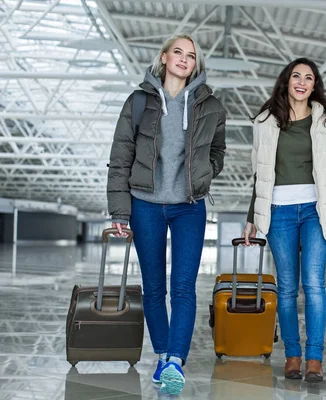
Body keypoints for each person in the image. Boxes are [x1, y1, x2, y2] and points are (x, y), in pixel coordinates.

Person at [106, 33, 226, 395]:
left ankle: (176, 359)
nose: (185, 59)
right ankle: (162, 355)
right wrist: (119, 211)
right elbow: (120, 156)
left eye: (191, 55)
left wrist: (204, 174)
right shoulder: (139, 101)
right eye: (178, 52)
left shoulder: (211, 106)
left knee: (184, 287)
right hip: (145, 203)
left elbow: (218, 152)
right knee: (154, 288)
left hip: (189, 207)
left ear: (195, 64)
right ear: (164, 57)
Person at [242, 57, 326, 383]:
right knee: (287, 288)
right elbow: (260, 176)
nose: (302, 82)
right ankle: (293, 355)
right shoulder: (265, 122)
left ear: (315, 85)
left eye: (309, 77)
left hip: (316, 211)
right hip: (279, 211)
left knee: (314, 286)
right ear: (286, 81)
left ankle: (315, 358)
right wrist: (252, 218)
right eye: (296, 76)